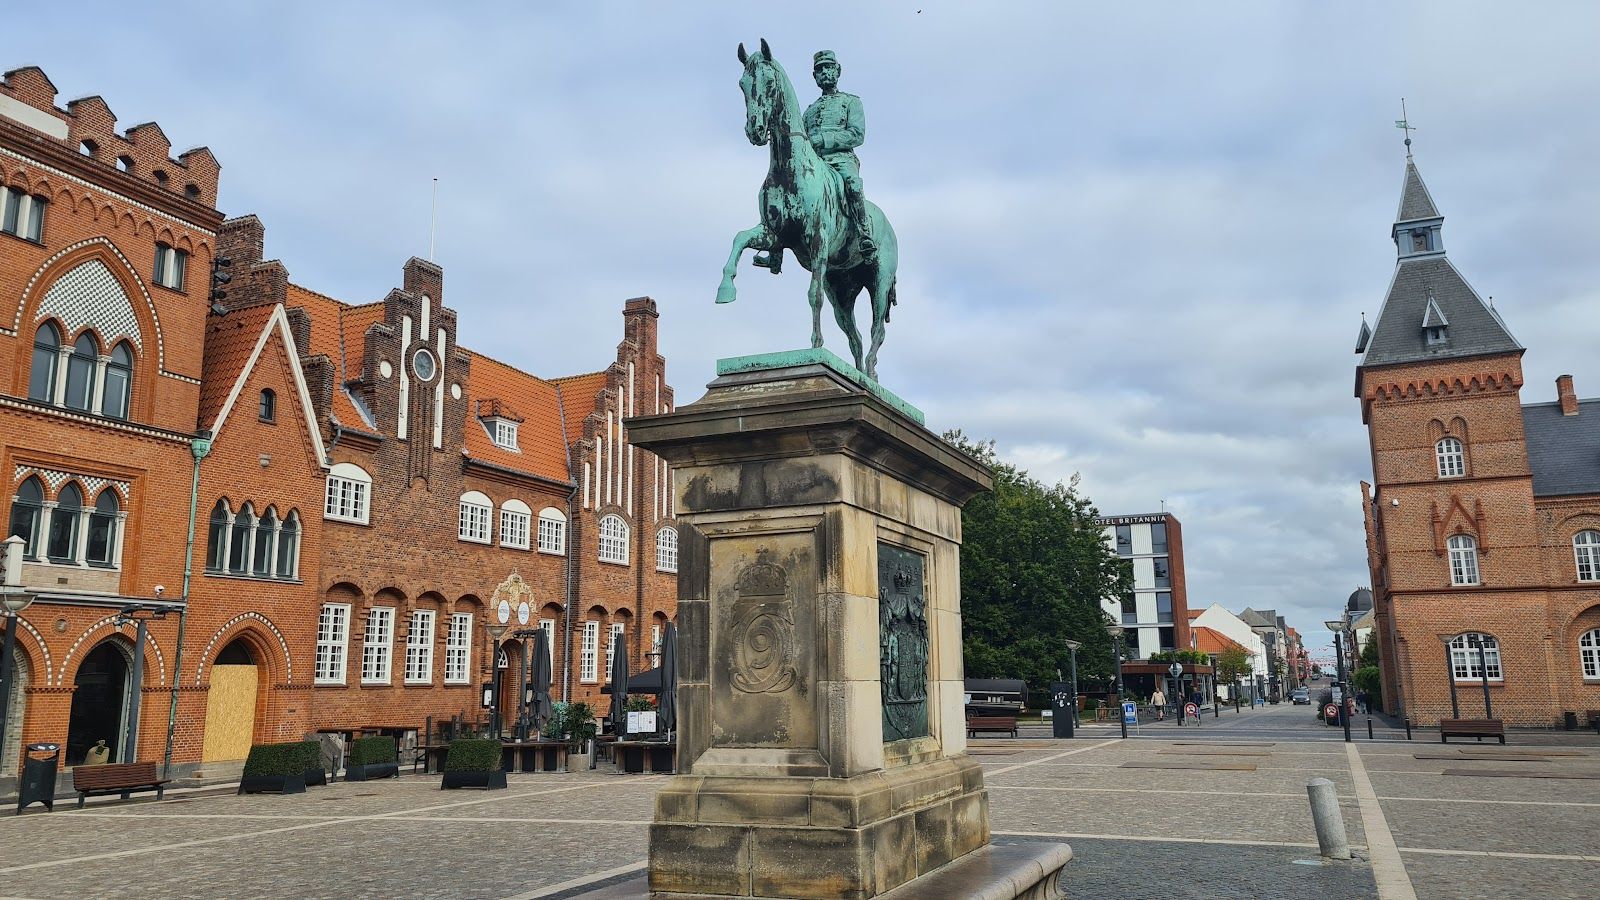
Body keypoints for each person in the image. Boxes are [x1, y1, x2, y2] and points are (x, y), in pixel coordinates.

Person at [803, 50, 876, 259]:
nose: (825, 72)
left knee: (853, 184)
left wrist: (823, 140)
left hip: (841, 160)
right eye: (820, 69)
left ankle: (864, 234)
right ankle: (776, 251)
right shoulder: (809, 112)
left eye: (829, 67)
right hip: (815, 163)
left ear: (837, 71)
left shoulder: (851, 102)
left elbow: (856, 135)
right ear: (814, 76)